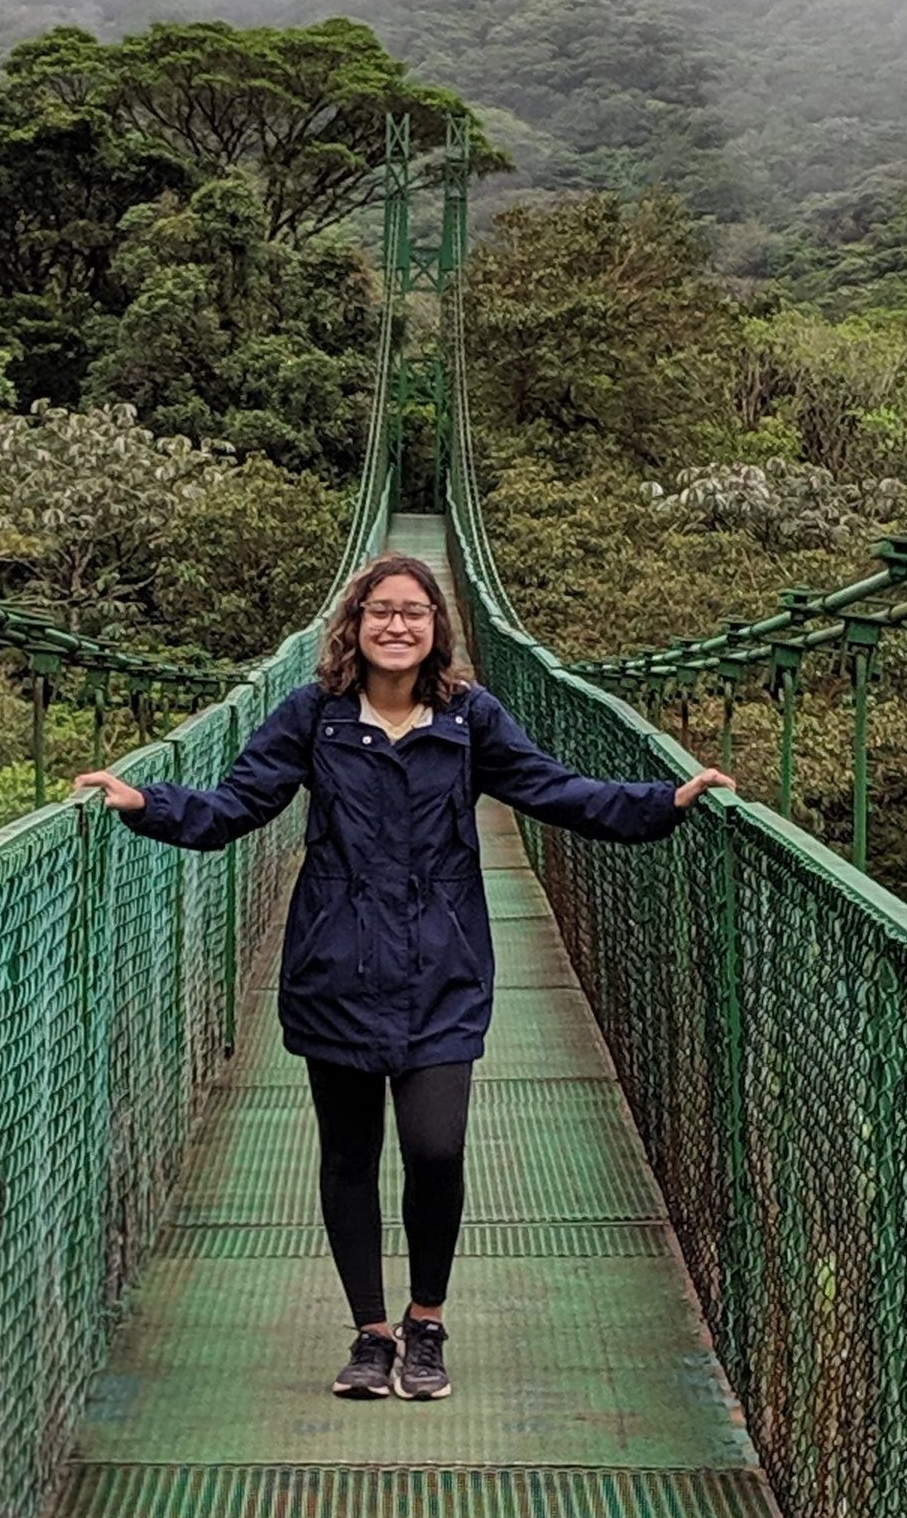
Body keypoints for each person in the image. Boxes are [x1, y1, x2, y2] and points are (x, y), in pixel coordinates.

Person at [74, 553, 733, 1403]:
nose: (395, 625)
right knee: (349, 1155)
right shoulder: (312, 716)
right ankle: (370, 1335)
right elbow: (235, 806)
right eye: (380, 611)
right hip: (334, 968)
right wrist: (144, 803)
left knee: (435, 1147)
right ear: (353, 624)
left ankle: (426, 1321)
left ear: (437, 628)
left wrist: (662, 803)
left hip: (440, 970)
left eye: (413, 612)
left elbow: (554, 792)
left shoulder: (469, 719)